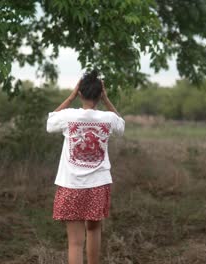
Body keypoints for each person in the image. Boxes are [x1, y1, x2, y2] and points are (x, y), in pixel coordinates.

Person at [46, 69, 125, 264]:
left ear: (80, 93)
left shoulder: (68, 116)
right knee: (94, 229)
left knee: (75, 242)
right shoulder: (108, 118)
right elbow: (121, 125)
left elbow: (49, 123)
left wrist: (71, 96)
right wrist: (106, 100)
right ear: (100, 94)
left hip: (71, 185)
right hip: (98, 184)